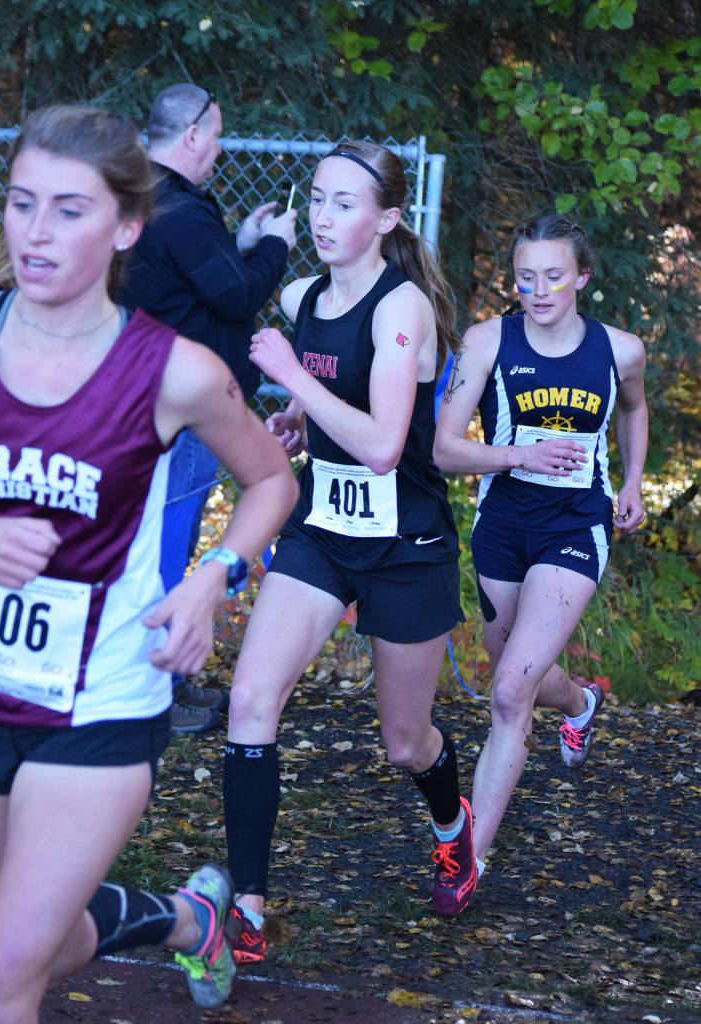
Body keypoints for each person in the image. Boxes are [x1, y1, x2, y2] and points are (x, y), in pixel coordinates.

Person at [0, 104, 298, 1022]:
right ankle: (186, 919)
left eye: (69, 209)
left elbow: (270, 483)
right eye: (23, 204)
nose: (36, 231)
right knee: (37, 944)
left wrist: (211, 576)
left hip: (99, 703)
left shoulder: (173, 371)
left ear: (127, 227)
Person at [221, 140, 477, 965]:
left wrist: (294, 381)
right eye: (317, 200)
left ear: (386, 220)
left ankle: (450, 821)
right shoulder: (302, 296)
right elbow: (339, 414)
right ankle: (248, 908)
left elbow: (379, 446)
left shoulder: (400, 307)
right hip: (325, 535)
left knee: (405, 744)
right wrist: (299, 422)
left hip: (406, 543)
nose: (324, 218)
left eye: (343, 204)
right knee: (250, 701)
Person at [433, 214, 647, 880]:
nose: (538, 289)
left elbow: (635, 409)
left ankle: (468, 859)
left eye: (553, 276)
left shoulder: (619, 351)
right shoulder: (485, 342)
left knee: (506, 696)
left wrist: (634, 481)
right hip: (501, 525)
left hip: (575, 525)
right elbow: (443, 449)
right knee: (514, 680)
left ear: (581, 276)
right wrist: (520, 453)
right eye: (525, 277)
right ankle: (581, 703)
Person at [119, 83, 297, 735]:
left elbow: (205, 280)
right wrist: (275, 242)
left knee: (157, 538)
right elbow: (236, 295)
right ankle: (152, 694)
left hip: (150, 399)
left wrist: (243, 240)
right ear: (192, 134)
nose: (219, 147)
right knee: (168, 544)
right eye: (216, 133)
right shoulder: (181, 212)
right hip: (183, 412)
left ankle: (156, 681)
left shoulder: (149, 195)